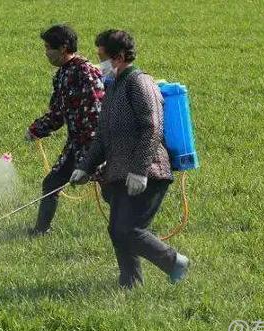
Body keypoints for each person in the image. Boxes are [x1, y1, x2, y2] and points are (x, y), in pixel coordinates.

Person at [71, 29, 190, 288]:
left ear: (120, 56)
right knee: (118, 231)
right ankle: (130, 283)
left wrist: (140, 170)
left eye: (102, 56)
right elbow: (102, 136)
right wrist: (84, 167)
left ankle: (175, 262)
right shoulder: (113, 88)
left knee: (128, 229)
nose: (98, 62)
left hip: (149, 172)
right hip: (119, 174)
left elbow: (152, 127)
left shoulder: (139, 83)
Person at [25, 24, 105, 236]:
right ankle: (41, 230)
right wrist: (37, 129)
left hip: (96, 144)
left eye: (48, 48)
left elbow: (96, 111)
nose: (45, 53)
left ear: (63, 48)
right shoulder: (62, 75)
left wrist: (91, 155)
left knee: (111, 190)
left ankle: (131, 230)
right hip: (76, 143)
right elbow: (58, 112)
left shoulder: (85, 72)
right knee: (51, 183)